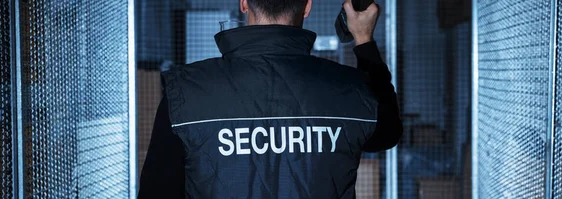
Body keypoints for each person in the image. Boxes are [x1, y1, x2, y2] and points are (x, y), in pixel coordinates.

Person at [138, 0, 402, 198]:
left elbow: (157, 190)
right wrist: (364, 40)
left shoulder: (185, 89)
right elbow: (388, 133)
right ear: (307, 6)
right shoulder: (352, 87)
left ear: (244, 3)